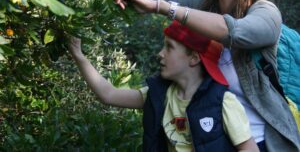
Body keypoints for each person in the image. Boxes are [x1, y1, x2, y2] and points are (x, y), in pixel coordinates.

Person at [114, 0, 300, 152]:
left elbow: (235, 31)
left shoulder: (267, 13)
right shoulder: (201, 8)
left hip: (263, 144)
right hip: (214, 142)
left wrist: (162, 7)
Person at [68, 21, 259, 151]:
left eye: (169, 47)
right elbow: (108, 94)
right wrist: (79, 55)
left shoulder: (223, 102)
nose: (160, 53)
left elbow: (248, 148)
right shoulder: (160, 95)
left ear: (193, 58)